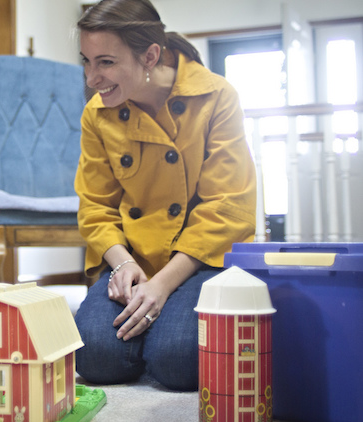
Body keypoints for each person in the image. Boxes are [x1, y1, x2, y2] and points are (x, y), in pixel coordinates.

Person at [73, 0, 256, 391]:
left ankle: (161, 336)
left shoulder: (217, 97)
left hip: (200, 259)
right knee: (94, 357)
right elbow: (95, 207)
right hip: (133, 257)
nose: (92, 78)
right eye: (86, 61)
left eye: (105, 62)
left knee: (178, 361)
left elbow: (228, 207)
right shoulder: (97, 114)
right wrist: (121, 265)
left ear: (150, 56)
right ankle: (148, 336)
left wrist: (162, 286)